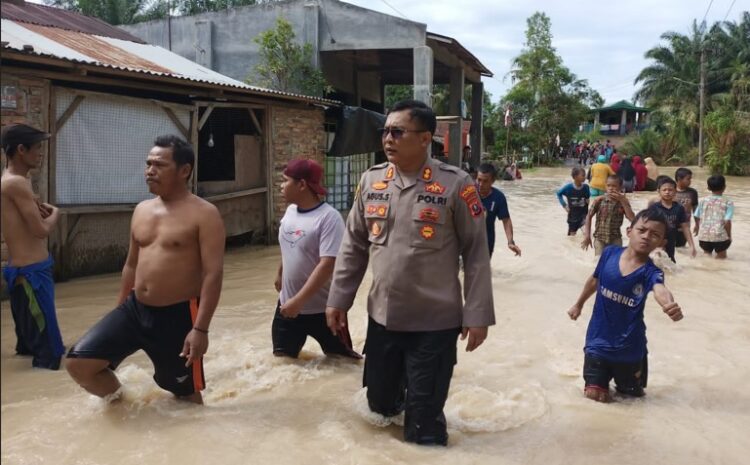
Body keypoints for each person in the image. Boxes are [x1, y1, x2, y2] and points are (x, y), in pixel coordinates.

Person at [325, 100, 495, 446]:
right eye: (385, 131)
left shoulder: (456, 185)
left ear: (425, 138)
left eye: (397, 131)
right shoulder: (372, 181)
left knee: (424, 424)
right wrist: (338, 300)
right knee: (380, 408)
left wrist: (477, 314)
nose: (388, 138)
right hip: (383, 319)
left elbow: (476, 253)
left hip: (434, 326)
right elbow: (353, 245)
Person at [65, 135, 225, 404]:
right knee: (79, 364)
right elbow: (131, 264)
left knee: (185, 397)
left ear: (184, 170)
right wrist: (118, 309)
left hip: (177, 316)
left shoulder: (205, 214)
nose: (149, 170)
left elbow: (213, 274)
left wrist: (201, 330)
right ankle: (122, 406)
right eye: (148, 163)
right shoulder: (141, 210)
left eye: (159, 165)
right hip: (134, 309)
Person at [568, 209, 684, 403]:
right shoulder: (609, 253)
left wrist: (669, 304)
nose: (647, 237)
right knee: (594, 398)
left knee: (631, 402)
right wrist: (578, 304)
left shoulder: (651, 272)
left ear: (661, 244)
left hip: (630, 350)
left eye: (655, 235)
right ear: (629, 231)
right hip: (598, 343)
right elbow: (594, 281)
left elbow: (660, 289)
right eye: (642, 230)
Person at [272, 158, 361, 360]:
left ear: (302, 185)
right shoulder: (290, 211)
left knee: (344, 363)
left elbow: (327, 264)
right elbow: (289, 245)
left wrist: (298, 301)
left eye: (285, 180)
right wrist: (280, 273)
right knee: (282, 364)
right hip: (287, 308)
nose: (281, 186)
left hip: (325, 310)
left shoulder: (329, 218)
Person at [1, 124, 64, 370]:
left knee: (30, 347)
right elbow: (41, 230)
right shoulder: (17, 183)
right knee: (50, 355)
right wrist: (56, 213)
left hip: (22, 274)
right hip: (32, 276)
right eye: (37, 148)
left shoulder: (9, 182)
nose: (40, 153)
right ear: (20, 150)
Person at [582, 175, 635, 256]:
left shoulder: (623, 202)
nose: (611, 188)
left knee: (615, 262)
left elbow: (632, 219)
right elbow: (588, 217)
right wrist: (587, 236)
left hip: (615, 238)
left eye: (614, 186)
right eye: (608, 185)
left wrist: (623, 201)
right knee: (598, 261)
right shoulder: (599, 200)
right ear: (605, 186)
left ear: (620, 187)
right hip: (599, 238)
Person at [647, 177, 696, 263]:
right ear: (659, 191)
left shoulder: (679, 208)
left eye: (670, 190)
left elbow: (685, 227)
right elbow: (647, 225)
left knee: (670, 263)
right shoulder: (654, 208)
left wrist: (691, 246)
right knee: (655, 262)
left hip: (671, 241)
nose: (667, 192)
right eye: (664, 190)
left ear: (675, 191)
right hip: (656, 241)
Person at [477, 163, 522, 256]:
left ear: (493, 181)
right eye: (479, 180)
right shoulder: (468, 193)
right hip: (465, 242)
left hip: (486, 244)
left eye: (485, 181)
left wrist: (510, 242)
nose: (480, 184)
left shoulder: (498, 197)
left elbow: (506, 220)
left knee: (480, 269)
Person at [693, 175, 734, 259]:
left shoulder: (702, 201)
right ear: (724, 187)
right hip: (720, 236)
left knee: (706, 256)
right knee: (721, 259)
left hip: (704, 236)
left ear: (708, 188)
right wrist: (729, 236)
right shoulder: (728, 202)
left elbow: (696, 216)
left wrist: (697, 227)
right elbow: (727, 221)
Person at [556, 167, 591, 236]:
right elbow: (558, 194)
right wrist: (564, 205)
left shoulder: (586, 187)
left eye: (585, 175)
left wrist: (588, 203)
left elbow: (588, 198)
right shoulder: (568, 188)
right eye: (583, 175)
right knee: (572, 237)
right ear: (575, 177)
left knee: (586, 233)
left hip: (583, 215)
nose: (585, 177)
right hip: (573, 216)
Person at [674, 167, 699, 248]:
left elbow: (695, 209)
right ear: (679, 179)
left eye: (690, 179)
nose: (690, 181)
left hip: (684, 228)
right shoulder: (670, 190)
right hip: (670, 226)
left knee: (681, 249)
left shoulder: (692, 192)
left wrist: (697, 224)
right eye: (688, 179)